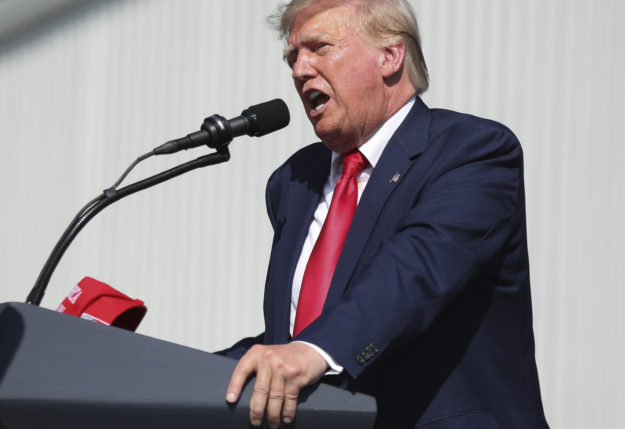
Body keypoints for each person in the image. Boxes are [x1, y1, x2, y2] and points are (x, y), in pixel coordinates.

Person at [219, 0, 550, 428]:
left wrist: (312, 351)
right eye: (292, 57)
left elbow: (413, 272)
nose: (300, 70)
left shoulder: (472, 152)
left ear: (390, 57)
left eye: (319, 47)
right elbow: (301, 335)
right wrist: (162, 367)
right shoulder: (294, 181)